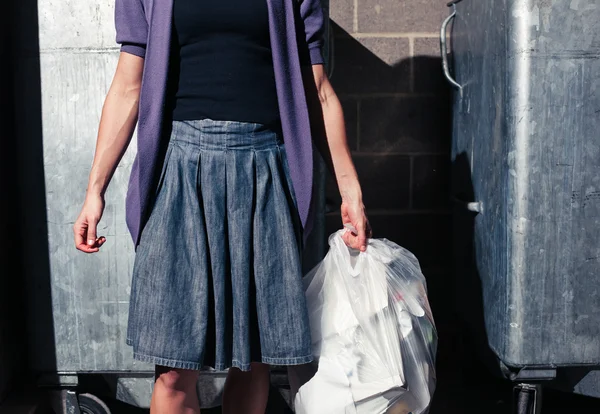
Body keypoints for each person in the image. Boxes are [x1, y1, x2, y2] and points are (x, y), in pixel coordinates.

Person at [73, 0, 370, 412]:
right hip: (179, 173)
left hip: (262, 169)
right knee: (174, 367)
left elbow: (317, 91)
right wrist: (95, 190)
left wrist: (350, 188)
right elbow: (128, 85)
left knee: (253, 362)